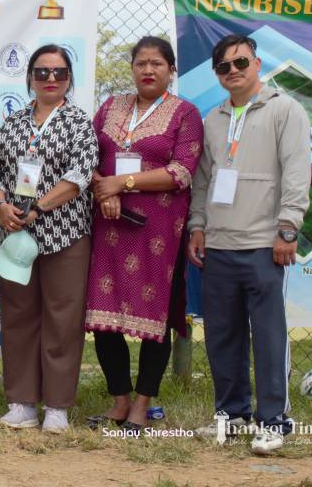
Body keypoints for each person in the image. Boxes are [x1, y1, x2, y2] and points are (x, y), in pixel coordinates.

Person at [187, 34, 310, 455]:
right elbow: (203, 179)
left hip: (264, 243)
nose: (233, 71)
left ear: (257, 63)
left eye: (241, 62)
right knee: (222, 334)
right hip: (219, 243)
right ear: (217, 74)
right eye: (224, 66)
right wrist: (198, 226)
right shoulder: (214, 119)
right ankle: (232, 414)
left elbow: (297, 172)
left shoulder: (285, 109)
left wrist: (288, 228)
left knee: (269, 336)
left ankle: (274, 420)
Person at [83, 37, 203, 431]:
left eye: (157, 63)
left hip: (157, 231)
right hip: (107, 222)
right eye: (141, 63)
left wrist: (123, 183)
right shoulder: (109, 107)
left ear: (171, 70)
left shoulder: (185, 113)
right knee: (103, 314)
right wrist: (104, 187)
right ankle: (119, 401)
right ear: (132, 68)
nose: (148, 70)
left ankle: (141, 405)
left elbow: (181, 171)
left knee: (155, 316)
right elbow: (85, 158)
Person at [0, 44, 98, 433]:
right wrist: (1, 206)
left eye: (59, 72)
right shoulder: (14, 122)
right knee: (17, 316)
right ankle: (21, 403)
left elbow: (80, 177)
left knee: (62, 319)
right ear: (30, 77)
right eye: (42, 72)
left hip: (64, 235)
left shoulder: (79, 123)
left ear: (70, 78)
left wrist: (40, 208)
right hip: (16, 235)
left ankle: (57, 406)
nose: (51, 79)